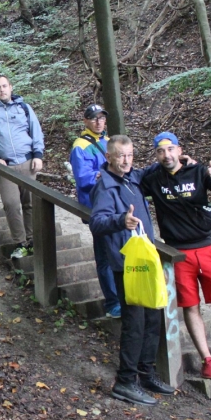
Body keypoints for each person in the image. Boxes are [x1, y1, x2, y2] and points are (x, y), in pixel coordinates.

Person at [140, 132, 211, 380]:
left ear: (179, 150)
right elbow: (130, 181)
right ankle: (206, 358)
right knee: (190, 306)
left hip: (207, 248)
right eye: (161, 151)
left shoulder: (199, 172)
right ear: (156, 155)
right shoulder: (153, 179)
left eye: (171, 149)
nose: (166, 155)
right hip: (177, 253)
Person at [89, 135, 176, 406]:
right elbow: (97, 223)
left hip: (145, 261)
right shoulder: (106, 186)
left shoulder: (132, 179)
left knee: (152, 317)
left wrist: (177, 160)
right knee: (135, 324)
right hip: (126, 265)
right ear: (109, 157)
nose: (126, 160)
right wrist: (120, 220)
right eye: (120, 156)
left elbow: (150, 169)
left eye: (130, 155)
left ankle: (145, 372)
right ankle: (125, 382)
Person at [0, 75, 45, 259]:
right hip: (4, 166)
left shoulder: (24, 108)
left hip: (27, 162)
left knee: (29, 203)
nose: (2, 90)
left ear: (10, 86)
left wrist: (38, 155)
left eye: (4, 86)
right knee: (11, 204)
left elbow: (36, 131)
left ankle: (32, 240)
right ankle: (21, 242)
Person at [69, 104, 119, 318]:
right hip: (96, 207)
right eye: (94, 118)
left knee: (118, 251)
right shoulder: (81, 146)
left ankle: (122, 297)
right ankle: (113, 303)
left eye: (101, 118)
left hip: (114, 204)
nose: (98, 122)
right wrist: (104, 175)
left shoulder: (108, 142)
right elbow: (83, 179)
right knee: (105, 255)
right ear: (86, 121)